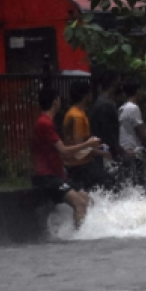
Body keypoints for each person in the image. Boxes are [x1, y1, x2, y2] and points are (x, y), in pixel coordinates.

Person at [32, 86, 100, 228]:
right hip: (48, 177)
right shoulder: (44, 123)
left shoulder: (47, 122)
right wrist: (88, 144)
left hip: (57, 174)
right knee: (80, 203)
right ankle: (79, 239)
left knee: (88, 200)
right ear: (56, 101)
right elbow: (64, 151)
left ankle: (78, 229)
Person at [62, 80, 110, 189]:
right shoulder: (77, 116)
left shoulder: (76, 112)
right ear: (85, 95)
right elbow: (80, 147)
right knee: (107, 184)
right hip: (80, 165)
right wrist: (97, 151)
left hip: (78, 164)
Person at [90, 72, 124, 167]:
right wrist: (119, 151)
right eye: (118, 81)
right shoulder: (105, 105)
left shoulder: (102, 102)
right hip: (106, 154)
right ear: (114, 83)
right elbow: (107, 132)